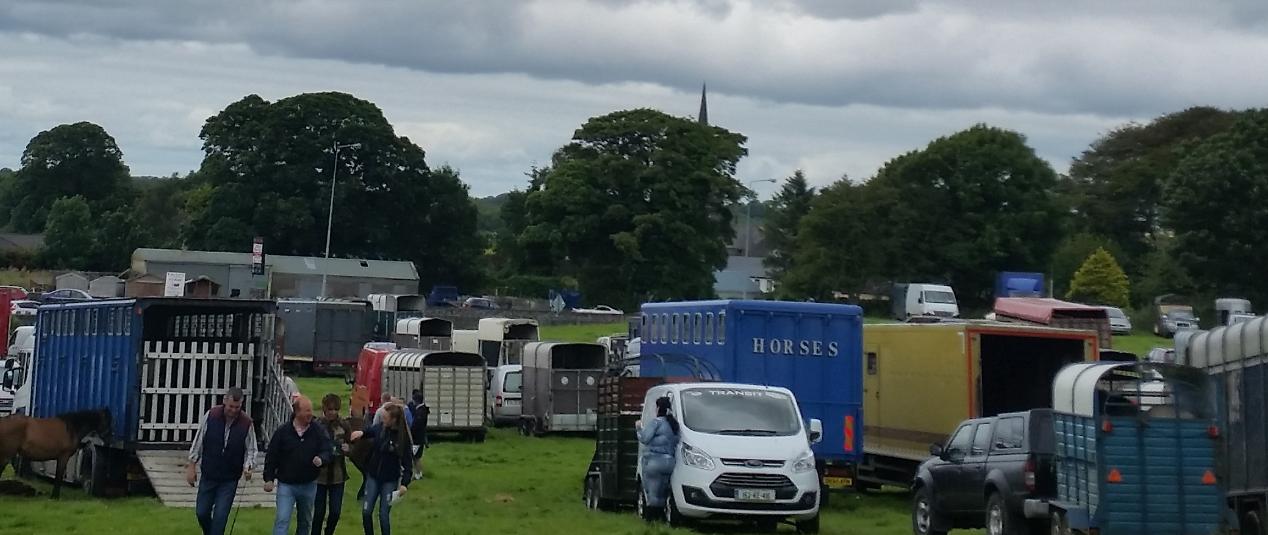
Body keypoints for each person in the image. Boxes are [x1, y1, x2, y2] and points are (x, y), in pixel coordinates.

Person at [188, 388, 258, 535]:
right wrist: (192, 466)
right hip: (209, 474)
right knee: (202, 512)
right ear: (225, 401)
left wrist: (248, 467)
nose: (233, 410)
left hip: (229, 478)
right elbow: (198, 441)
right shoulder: (211, 415)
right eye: (231, 406)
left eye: (237, 407)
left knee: (220, 516)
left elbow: (251, 449)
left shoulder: (246, 423)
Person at [264, 395, 333, 535]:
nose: (310, 414)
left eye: (311, 410)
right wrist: (269, 478)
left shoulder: (317, 430)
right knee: (282, 519)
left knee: (305, 521)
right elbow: (272, 456)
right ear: (297, 412)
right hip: (286, 485)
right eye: (306, 411)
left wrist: (322, 459)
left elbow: (327, 449)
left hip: (309, 484)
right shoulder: (283, 432)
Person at [351, 403, 413, 535]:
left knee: (384, 515)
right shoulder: (381, 428)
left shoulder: (403, 439)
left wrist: (404, 484)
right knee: (366, 512)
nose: (382, 420)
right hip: (373, 476)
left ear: (394, 420)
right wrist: (361, 433)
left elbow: (408, 464)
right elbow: (371, 430)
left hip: (389, 480)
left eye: (385, 418)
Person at [312, 394, 352, 535]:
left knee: (335, 512)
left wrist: (348, 449)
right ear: (324, 409)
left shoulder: (344, 425)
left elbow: (350, 445)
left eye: (335, 409)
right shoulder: (316, 425)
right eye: (330, 409)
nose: (332, 412)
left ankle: (329, 532)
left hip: (338, 475)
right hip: (319, 476)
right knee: (318, 512)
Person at [637, 396, 680, 512]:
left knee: (652, 492)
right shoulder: (674, 424)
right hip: (670, 462)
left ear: (658, 408)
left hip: (655, 462)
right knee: (664, 491)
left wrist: (638, 428)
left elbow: (644, 438)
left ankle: (652, 518)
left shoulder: (656, 422)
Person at [407, 390, 430, 480]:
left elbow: (417, 425)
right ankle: (418, 473)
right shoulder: (422, 410)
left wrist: (410, 431)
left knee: (414, 457)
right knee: (416, 457)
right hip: (419, 438)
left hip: (417, 438)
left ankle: (418, 474)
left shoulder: (421, 411)